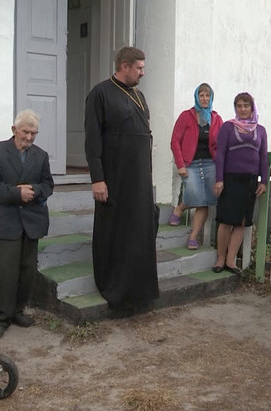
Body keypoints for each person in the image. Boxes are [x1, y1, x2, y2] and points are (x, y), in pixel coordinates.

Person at [84, 46, 159, 310]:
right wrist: (97, 178)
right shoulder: (100, 94)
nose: (143, 72)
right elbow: (92, 140)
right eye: (139, 67)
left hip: (138, 178)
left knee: (139, 230)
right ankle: (113, 286)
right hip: (114, 177)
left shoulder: (139, 96)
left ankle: (139, 291)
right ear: (124, 66)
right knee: (114, 231)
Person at [0, 109, 54, 340]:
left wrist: (34, 192)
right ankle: (1, 318)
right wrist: (16, 193)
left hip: (32, 221)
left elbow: (48, 184)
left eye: (34, 133)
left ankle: (17, 311)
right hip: (8, 222)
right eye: (26, 132)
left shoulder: (41, 155)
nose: (30, 138)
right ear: (14, 130)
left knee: (27, 272)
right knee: (6, 273)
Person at [212, 92, 268, 275]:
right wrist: (219, 179)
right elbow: (220, 154)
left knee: (241, 222)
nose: (243, 109)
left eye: (246, 105)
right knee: (226, 220)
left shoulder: (260, 130)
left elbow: (263, 157)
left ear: (252, 108)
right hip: (230, 179)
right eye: (239, 106)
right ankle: (220, 258)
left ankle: (231, 261)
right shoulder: (228, 127)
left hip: (250, 181)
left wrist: (264, 180)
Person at [169, 83, 223, 249]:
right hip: (190, 164)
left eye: (208, 95)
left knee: (205, 201)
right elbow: (175, 141)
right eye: (202, 95)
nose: (205, 99)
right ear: (196, 97)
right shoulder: (186, 116)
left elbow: (222, 144)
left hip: (210, 164)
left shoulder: (216, 118)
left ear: (211, 98)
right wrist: (180, 165)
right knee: (194, 193)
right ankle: (180, 207)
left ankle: (193, 236)